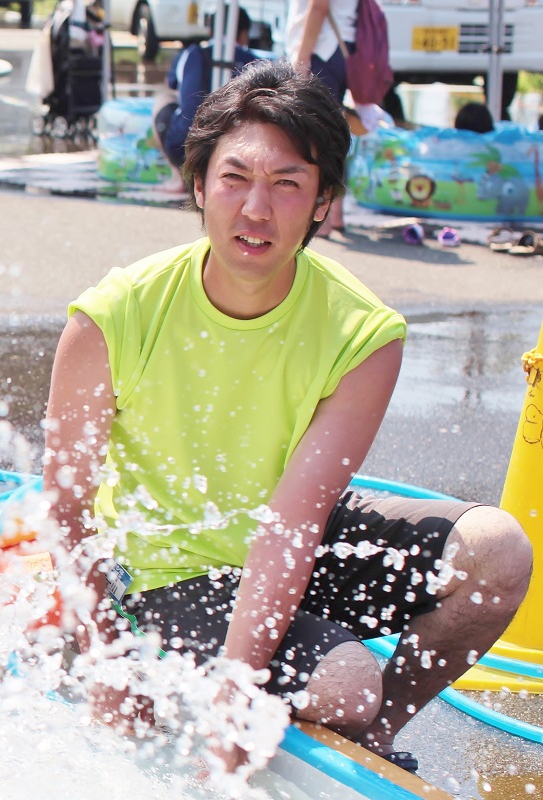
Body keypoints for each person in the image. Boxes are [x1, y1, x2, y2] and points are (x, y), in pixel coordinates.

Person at [43, 59, 531, 779]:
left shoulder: (363, 331)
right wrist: (106, 651)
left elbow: (294, 522)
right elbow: (68, 505)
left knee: (499, 551)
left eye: (288, 184)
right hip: (167, 566)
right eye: (234, 178)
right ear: (198, 183)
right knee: (344, 682)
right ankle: (314, 700)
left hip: (288, 542)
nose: (256, 210)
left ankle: (371, 736)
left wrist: (238, 695)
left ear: (324, 201)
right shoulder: (114, 317)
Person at [150, 7, 259, 193]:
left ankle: (178, 177)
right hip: (239, 149)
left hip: (183, 146)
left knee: (164, 97)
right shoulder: (254, 62)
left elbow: (171, 83)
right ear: (243, 34)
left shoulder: (191, 54)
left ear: (210, 31)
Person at [285, 0, 356, 235]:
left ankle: (324, 219)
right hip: (340, 45)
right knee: (332, 134)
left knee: (317, 136)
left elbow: (319, 6)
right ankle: (336, 214)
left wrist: (302, 58)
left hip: (322, 49)